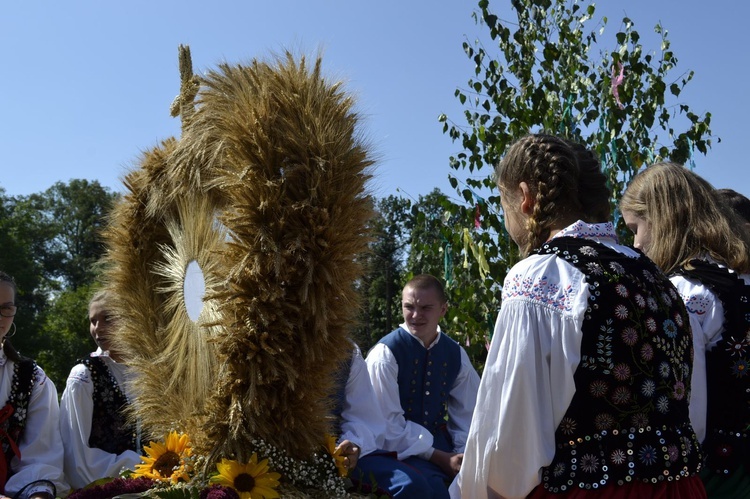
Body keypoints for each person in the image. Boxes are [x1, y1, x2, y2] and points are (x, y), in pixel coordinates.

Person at [451, 135, 705, 499]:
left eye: (502, 202)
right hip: (682, 488)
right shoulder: (658, 278)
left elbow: (510, 450)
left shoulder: (541, 278)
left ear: (524, 197)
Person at [621, 163, 750, 498]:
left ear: (663, 220)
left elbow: (687, 415)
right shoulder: (742, 278)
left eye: (636, 228)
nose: (634, 244)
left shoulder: (684, 294)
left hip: (720, 479)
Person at [366, 274, 480, 499]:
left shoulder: (455, 353)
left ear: (443, 309)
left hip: (441, 445)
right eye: (409, 307)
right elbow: (385, 426)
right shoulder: (385, 355)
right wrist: (439, 457)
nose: (416, 315)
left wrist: (462, 454)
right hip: (391, 450)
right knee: (432, 489)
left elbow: (470, 412)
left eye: (426, 307)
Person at [332, 341, 454, 497]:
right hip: (402, 447)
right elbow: (388, 427)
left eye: (427, 313)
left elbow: (363, 417)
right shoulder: (383, 355)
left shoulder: (347, 350)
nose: (417, 315)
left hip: (342, 452)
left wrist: (355, 442)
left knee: (413, 484)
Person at [59, 290, 143, 490]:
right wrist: (139, 466)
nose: (98, 329)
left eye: (108, 318)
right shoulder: (84, 376)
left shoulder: (148, 373)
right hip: (101, 491)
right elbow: (76, 457)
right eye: (93, 321)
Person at [0, 271, 68, 499]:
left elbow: (40, 456)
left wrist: (38, 494)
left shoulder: (31, 379)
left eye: (6, 309)